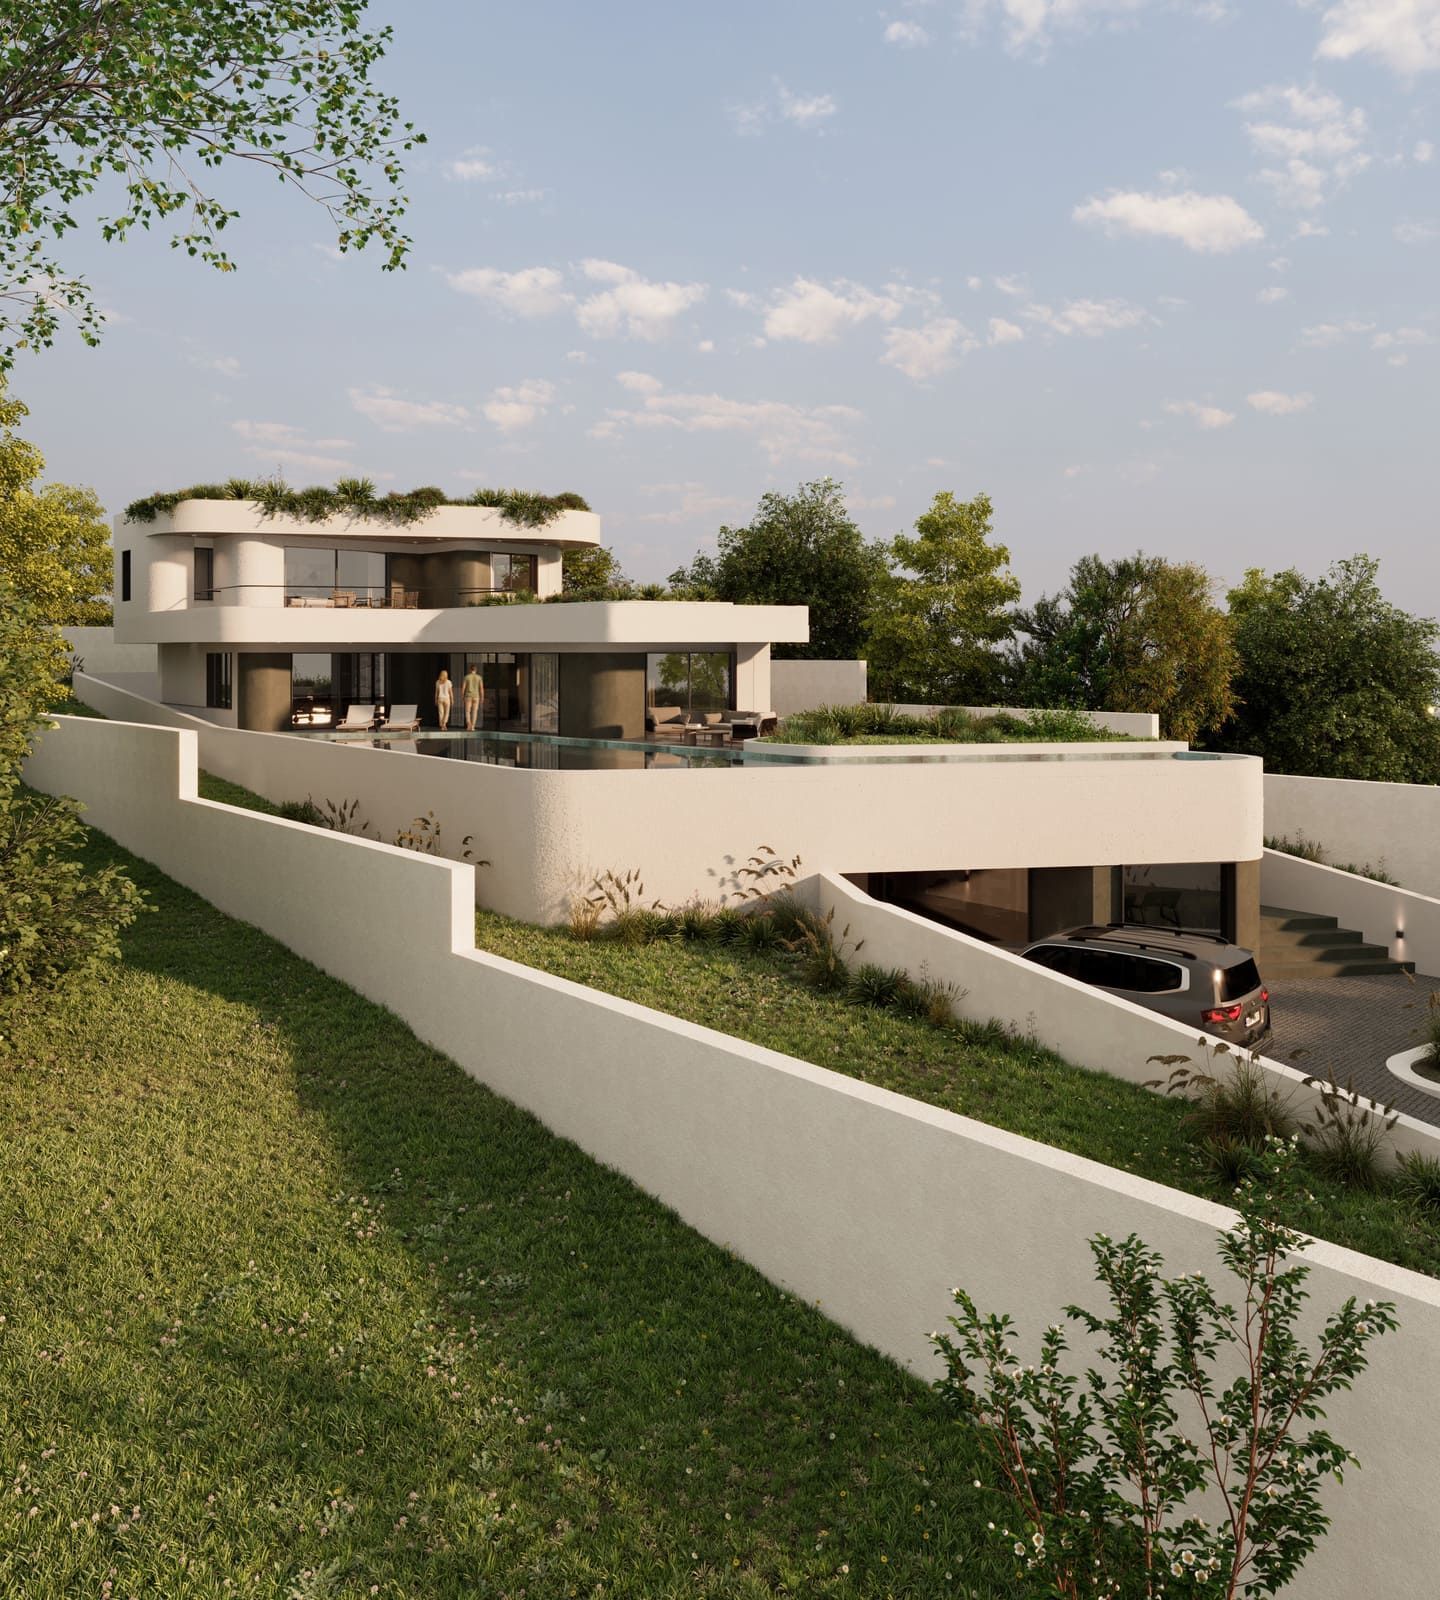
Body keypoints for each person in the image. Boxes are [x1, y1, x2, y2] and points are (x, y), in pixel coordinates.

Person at [461, 663, 484, 731]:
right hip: (476, 696)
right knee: (474, 712)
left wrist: (462, 696)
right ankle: (473, 726)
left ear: (470, 670)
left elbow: (463, 688)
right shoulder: (479, 677)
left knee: (467, 711)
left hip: (468, 696)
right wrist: (482, 697)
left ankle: (469, 725)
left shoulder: (467, 677)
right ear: (476, 670)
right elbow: (481, 688)